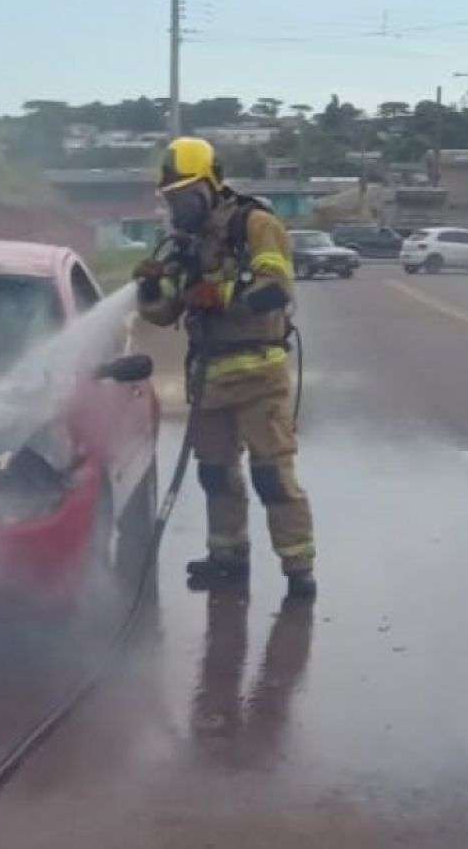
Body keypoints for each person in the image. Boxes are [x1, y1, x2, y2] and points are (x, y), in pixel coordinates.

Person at [134, 137, 316, 598]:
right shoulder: (185, 245)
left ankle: (298, 569)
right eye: (171, 198)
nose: (178, 206)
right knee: (215, 474)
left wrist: (221, 295)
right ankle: (227, 558)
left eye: (185, 195)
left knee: (271, 477)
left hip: (259, 375)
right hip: (209, 381)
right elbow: (163, 314)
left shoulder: (256, 225)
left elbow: (276, 288)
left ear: (211, 186)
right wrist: (151, 287)